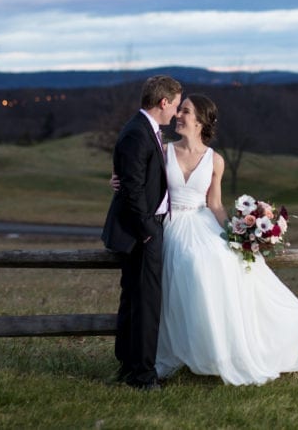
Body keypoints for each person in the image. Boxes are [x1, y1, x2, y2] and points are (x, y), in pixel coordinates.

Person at [114, 93, 298, 386]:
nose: (178, 115)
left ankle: (221, 349)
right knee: (192, 262)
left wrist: (239, 233)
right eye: (179, 110)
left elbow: (215, 204)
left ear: (200, 121)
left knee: (221, 259)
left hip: (201, 221)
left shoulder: (215, 160)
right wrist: (115, 180)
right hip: (168, 223)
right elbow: (136, 177)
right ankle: (177, 347)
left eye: (186, 111)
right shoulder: (163, 151)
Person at [101, 75, 182, 390]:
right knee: (145, 304)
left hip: (142, 229)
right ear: (164, 102)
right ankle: (143, 377)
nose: (176, 113)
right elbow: (133, 189)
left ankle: (130, 367)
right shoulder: (138, 133)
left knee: (135, 300)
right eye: (175, 106)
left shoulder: (144, 129)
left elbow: (137, 179)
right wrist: (149, 231)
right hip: (141, 233)